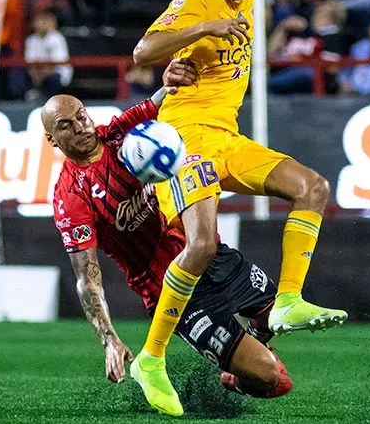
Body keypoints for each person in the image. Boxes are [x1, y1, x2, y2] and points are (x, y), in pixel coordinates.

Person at [131, 0, 348, 414]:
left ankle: (288, 300)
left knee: (312, 187)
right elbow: (144, 51)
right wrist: (205, 28)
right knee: (202, 245)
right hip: (186, 139)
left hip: (226, 138)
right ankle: (152, 357)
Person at [43, 61, 292, 418]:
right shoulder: (71, 196)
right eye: (65, 125)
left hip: (208, 254)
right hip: (172, 291)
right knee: (273, 380)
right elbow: (87, 276)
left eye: (81, 116)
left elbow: (160, 100)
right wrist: (109, 339)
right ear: (52, 139)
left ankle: (246, 349)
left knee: (281, 314)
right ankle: (237, 374)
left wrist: (171, 80)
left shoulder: (117, 134)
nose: (81, 127)